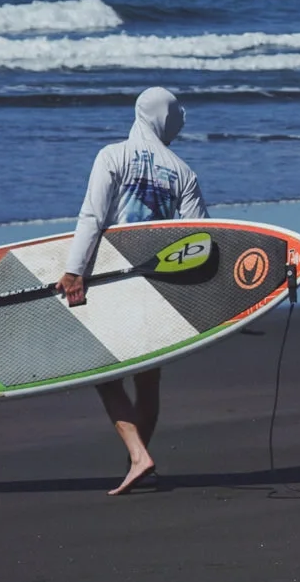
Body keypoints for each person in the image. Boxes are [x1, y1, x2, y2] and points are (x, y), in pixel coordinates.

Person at [57, 87, 209, 496]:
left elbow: (93, 216)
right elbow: (201, 240)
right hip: (160, 288)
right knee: (148, 383)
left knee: (105, 375)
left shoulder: (113, 156)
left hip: (116, 283)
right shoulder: (183, 172)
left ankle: (138, 457)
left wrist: (74, 271)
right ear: (165, 119)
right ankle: (136, 461)